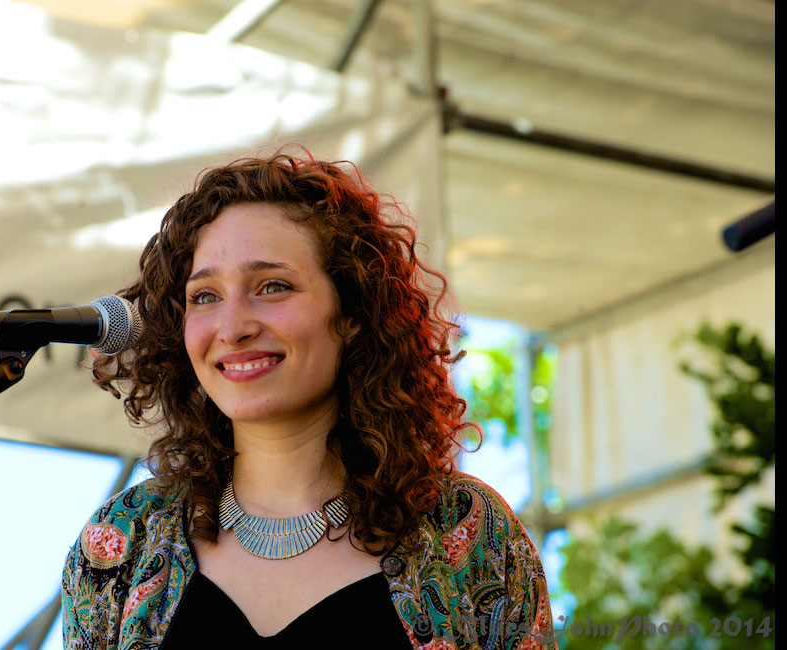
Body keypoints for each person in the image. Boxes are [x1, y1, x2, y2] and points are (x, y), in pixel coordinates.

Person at [61, 152, 556, 649]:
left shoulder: (463, 530)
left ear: (353, 312)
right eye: (205, 296)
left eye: (273, 287)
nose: (233, 327)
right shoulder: (123, 543)